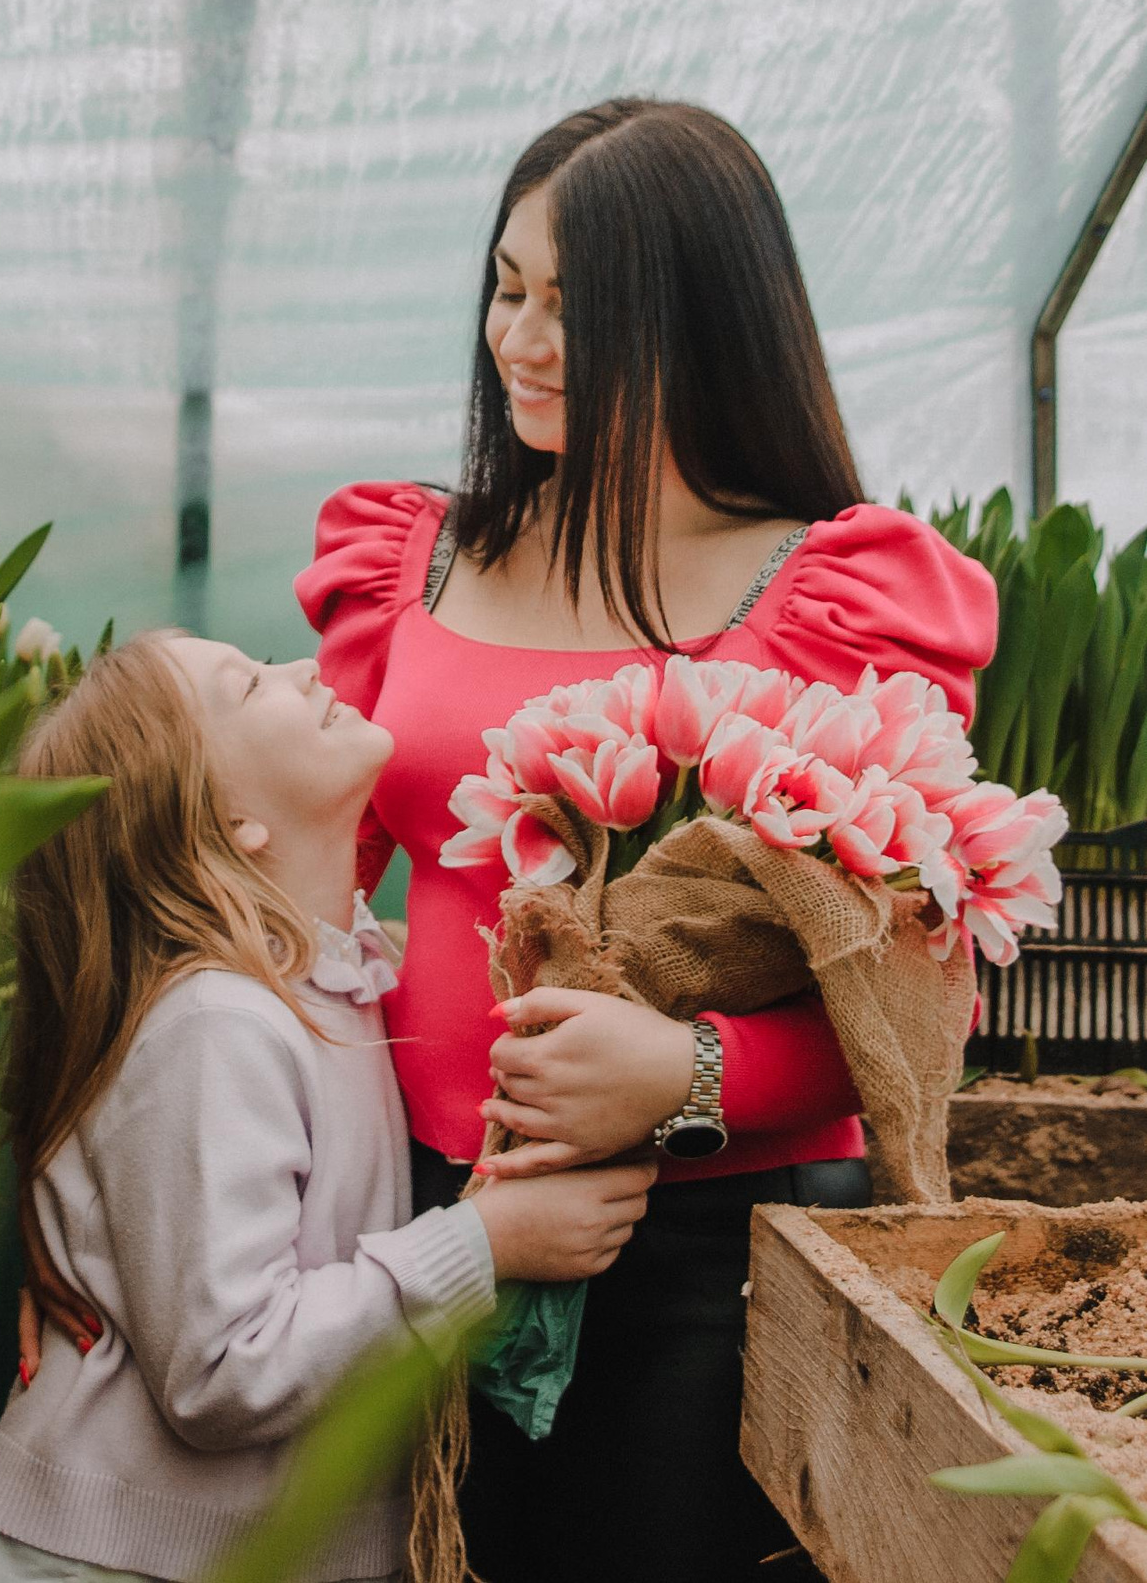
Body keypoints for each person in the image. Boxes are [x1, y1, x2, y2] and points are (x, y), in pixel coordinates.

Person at [293, 98, 999, 1582]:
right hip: (410, 1218)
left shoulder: (833, 599)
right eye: (508, 289)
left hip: (706, 1261)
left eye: (577, 306)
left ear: (703, 322)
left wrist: (685, 1078)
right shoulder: (408, 561)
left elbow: (921, 1006)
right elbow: (286, 903)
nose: (522, 340)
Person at [0, 631, 654, 1583]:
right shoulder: (218, 1025)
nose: (306, 668)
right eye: (248, 685)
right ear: (231, 821)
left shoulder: (344, 979)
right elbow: (222, 1366)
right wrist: (486, 1244)